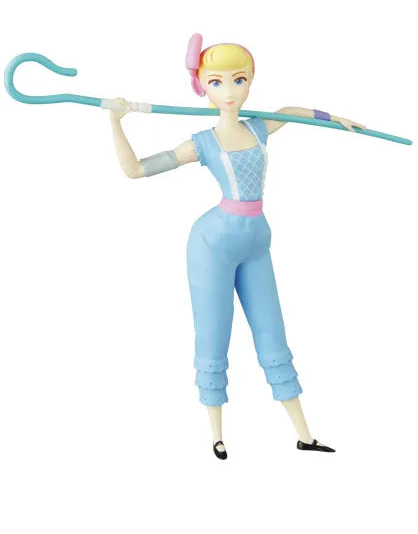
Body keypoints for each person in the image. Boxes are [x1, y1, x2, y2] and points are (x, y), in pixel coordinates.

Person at [109, 33, 365, 460]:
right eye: (217, 82)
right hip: (212, 244)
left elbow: (293, 113)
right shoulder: (202, 143)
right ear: (203, 88)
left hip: (256, 239)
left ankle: (304, 434)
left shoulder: (261, 126)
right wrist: (116, 122)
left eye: (239, 79)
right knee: (214, 332)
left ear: (250, 82)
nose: (229, 91)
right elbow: (136, 170)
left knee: (272, 332)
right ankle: (217, 435)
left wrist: (336, 118)